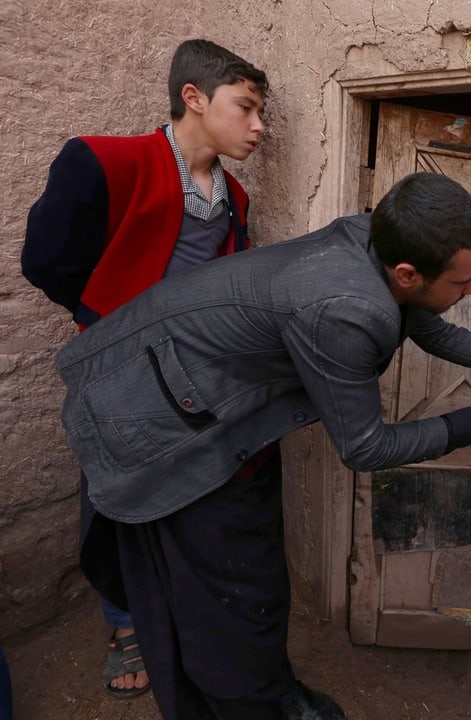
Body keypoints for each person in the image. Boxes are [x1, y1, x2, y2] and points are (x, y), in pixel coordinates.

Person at [51, 171, 471, 720]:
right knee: (225, 596)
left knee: (248, 578)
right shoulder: (344, 308)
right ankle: (247, 703)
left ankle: (263, 688)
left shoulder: (377, 236)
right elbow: (364, 448)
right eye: (463, 282)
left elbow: (424, 320)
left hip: (201, 399)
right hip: (154, 422)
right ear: (406, 272)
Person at [20, 38, 269, 702]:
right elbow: (44, 259)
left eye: (261, 113)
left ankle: (174, 618)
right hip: (121, 382)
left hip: (194, 385)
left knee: (185, 497)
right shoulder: (105, 160)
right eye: (245, 108)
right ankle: (124, 624)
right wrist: (111, 326)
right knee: (113, 504)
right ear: (194, 98)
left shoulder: (234, 198)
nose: (258, 127)